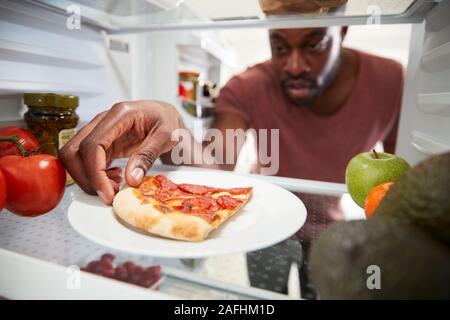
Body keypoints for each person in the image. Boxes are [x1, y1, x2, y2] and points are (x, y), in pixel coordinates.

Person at [59, 26, 403, 298]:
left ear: (341, 31)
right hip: (266, 228)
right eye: (280, 46)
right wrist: (174, 125)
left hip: (334, 229)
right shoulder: (247, 86)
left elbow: (401, 179)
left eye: (314, 45)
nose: (294, 65)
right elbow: (214, 168)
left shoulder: (390, 80)